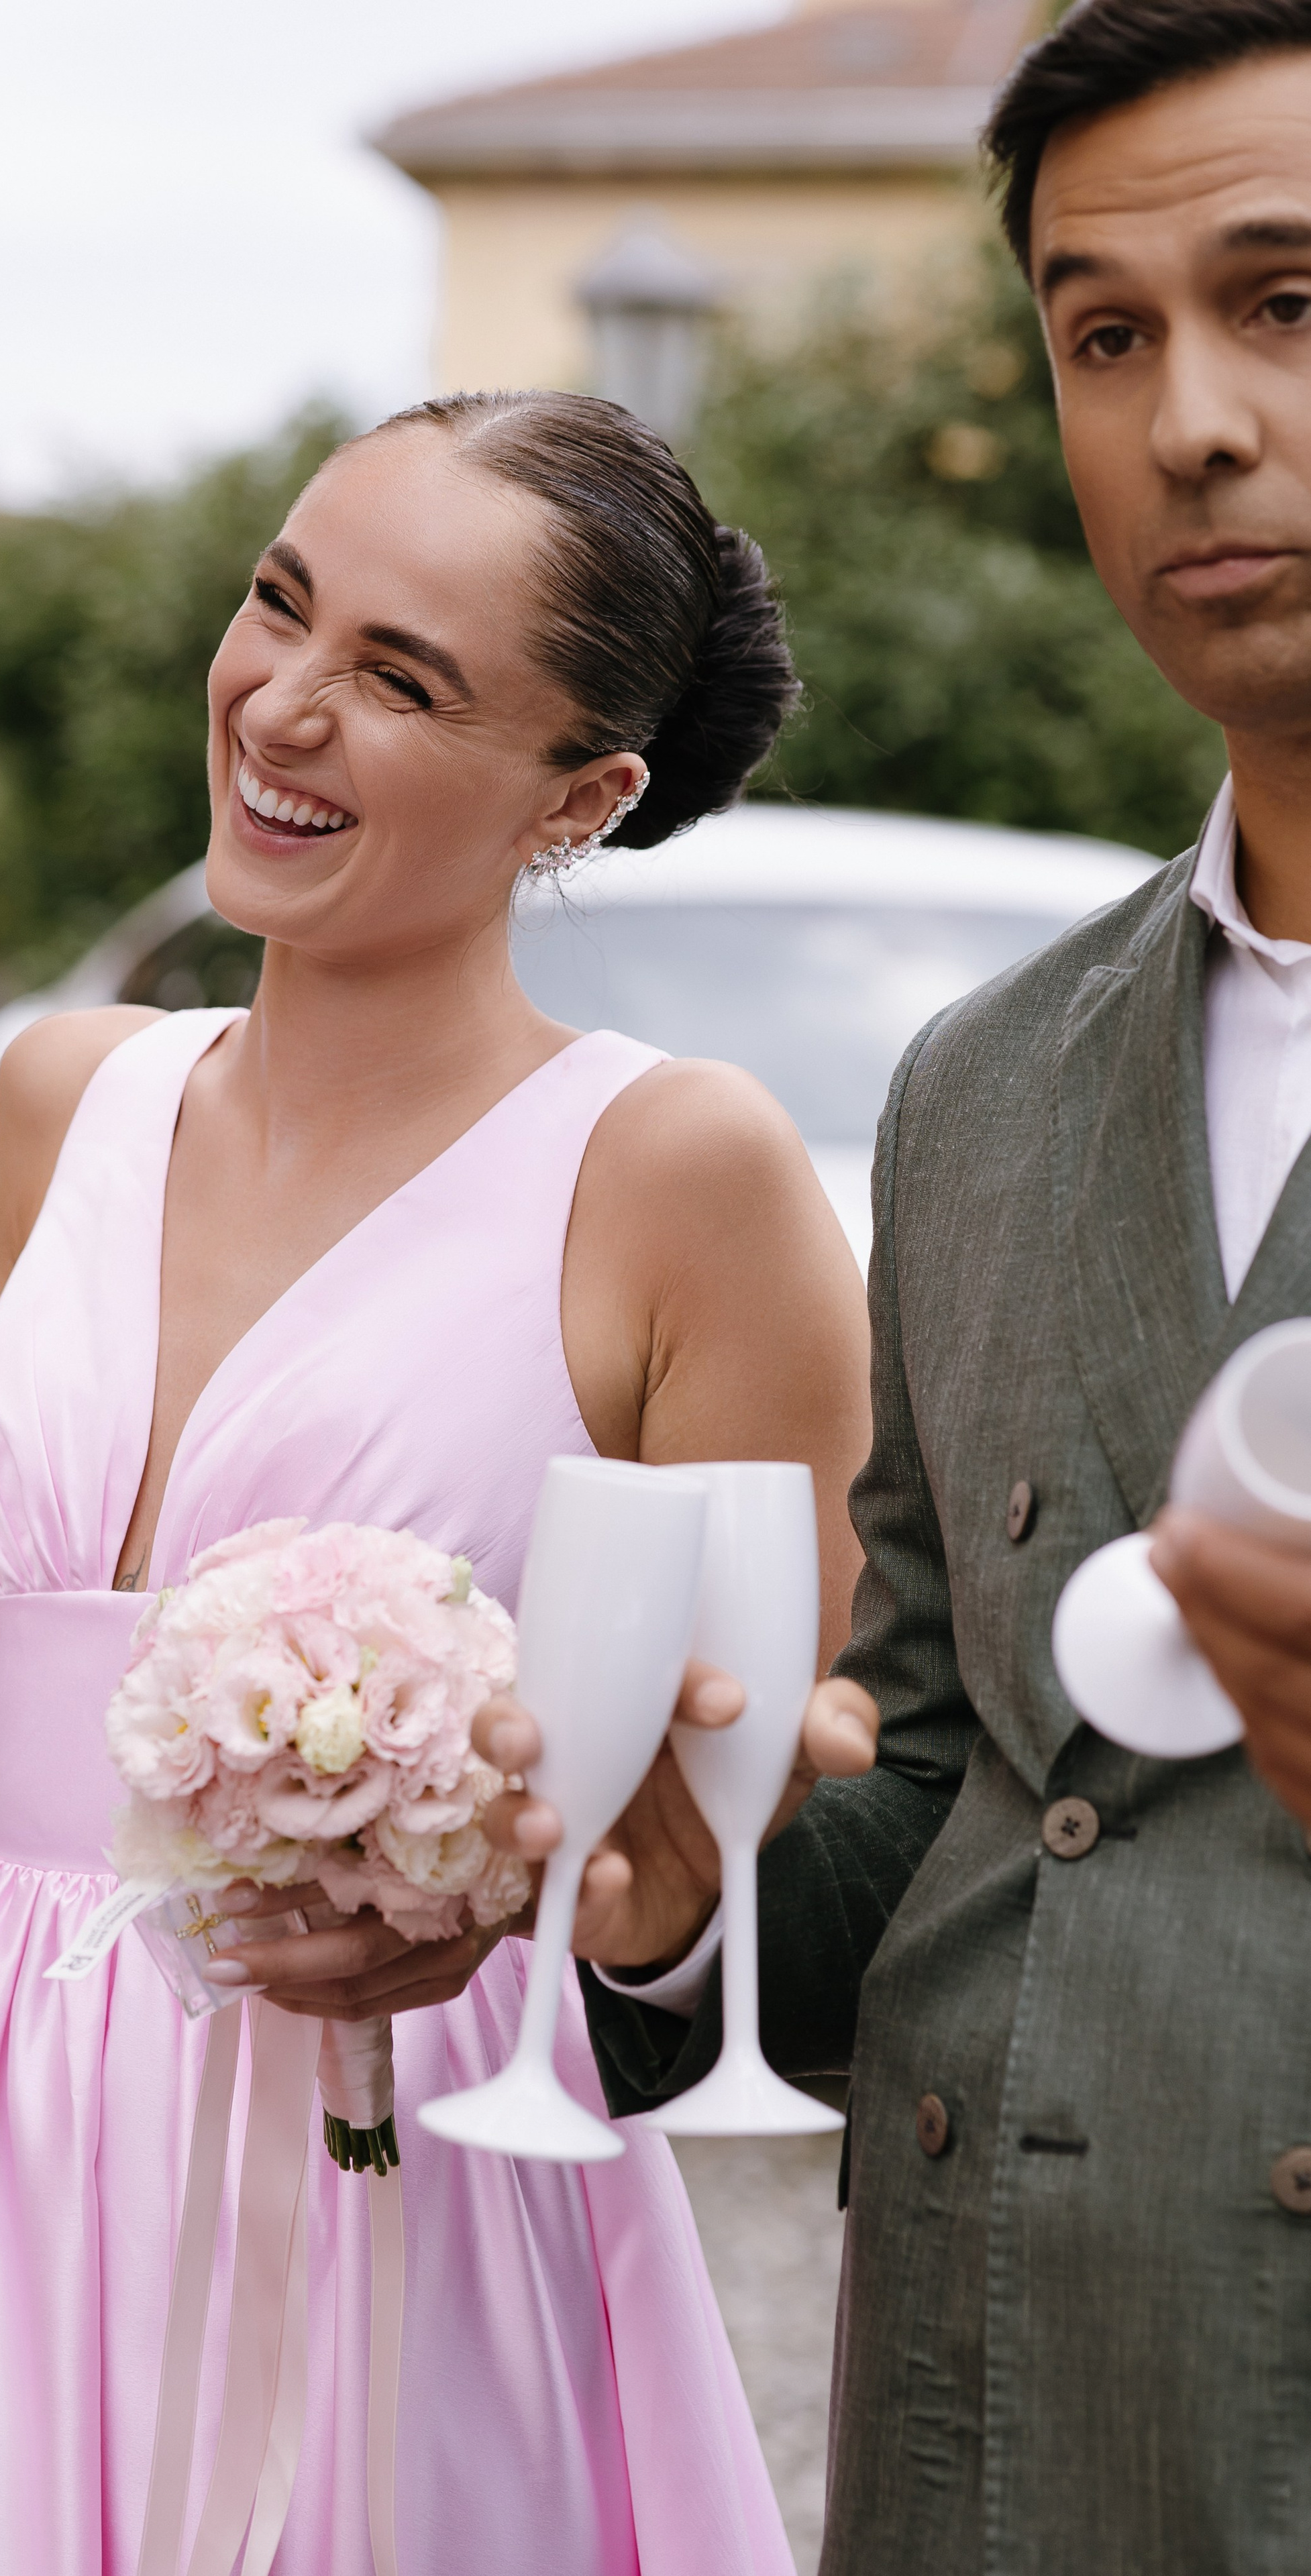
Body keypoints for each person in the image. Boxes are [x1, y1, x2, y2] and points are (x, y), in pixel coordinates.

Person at [0, 390, 878, 2576]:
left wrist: (530, 1903)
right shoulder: (67, 1091)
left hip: (391, 2153)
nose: (283, 701)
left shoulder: (681, 1172)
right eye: (282, 604)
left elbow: (751, 1814)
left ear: (589, 794)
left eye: (401, 678)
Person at [480, 5, 1311, 2569]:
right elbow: (960, 1805)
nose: (1188, 419)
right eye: (1103, 330)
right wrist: (668, 1899)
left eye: (1290, 299)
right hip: (984, 2456)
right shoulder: (986, 1088)